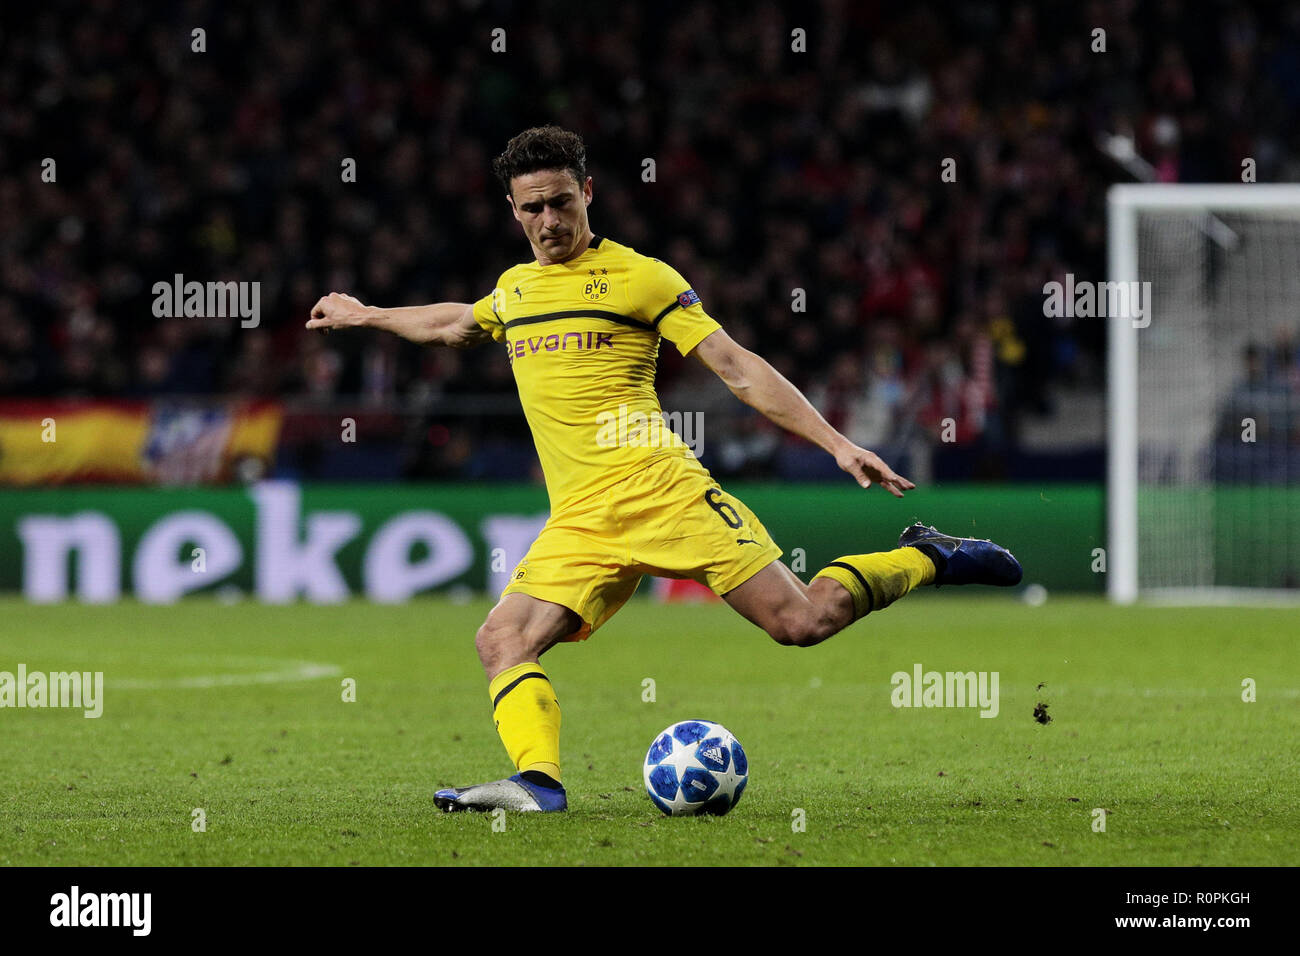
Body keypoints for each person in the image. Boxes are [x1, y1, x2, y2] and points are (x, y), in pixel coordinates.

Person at [307, 126, 1022, 813]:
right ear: (513, 209)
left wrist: (834, 442)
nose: (550, 219)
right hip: (581, 519)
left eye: (563, 201)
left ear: (589, 193)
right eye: (534, 207)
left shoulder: (641, 279)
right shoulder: (516, 291)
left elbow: (737, 368)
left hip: (662, 491)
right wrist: (365, 314)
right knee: (502, 639)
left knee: (802, 623)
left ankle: (925, 556)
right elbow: (451, 323)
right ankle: (538, 784)